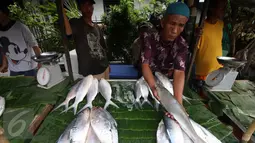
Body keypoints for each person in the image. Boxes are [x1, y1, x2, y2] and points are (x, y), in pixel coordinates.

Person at [140, 2, 190, 105]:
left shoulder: (182, 45)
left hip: (165, 80)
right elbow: (145, 65)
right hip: (145, 78)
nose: (175, 30)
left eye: (181, 25)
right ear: (163, 22)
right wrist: (154, 88)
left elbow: (179, 72)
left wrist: (178, 103)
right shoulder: (149, 37)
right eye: (172, 23)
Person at [62, 0, 109, 79]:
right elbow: (68, 33)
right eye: (84, 5)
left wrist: (108, 64)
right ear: (80, 8)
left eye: (90, 5)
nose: (88, 8)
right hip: (91, 73)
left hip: (104, 67)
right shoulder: (76, 24)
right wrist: (62, 10)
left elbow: (103, 48)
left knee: (107, 91)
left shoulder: (97, 27)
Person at [0, 2, 41, 76]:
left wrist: (40, 63)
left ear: (5, 14)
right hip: (14, 70)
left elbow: (34, 45)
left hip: (30, 69)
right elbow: (4, 50)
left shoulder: (20, 27)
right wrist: (4, 64)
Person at [195, 0, 227, 81]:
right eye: (221, 8)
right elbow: (194, 48)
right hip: (203, 72)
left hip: (218, 69)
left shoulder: (220, 24)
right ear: (212, 9)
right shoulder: (200, 27)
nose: (224, 11)